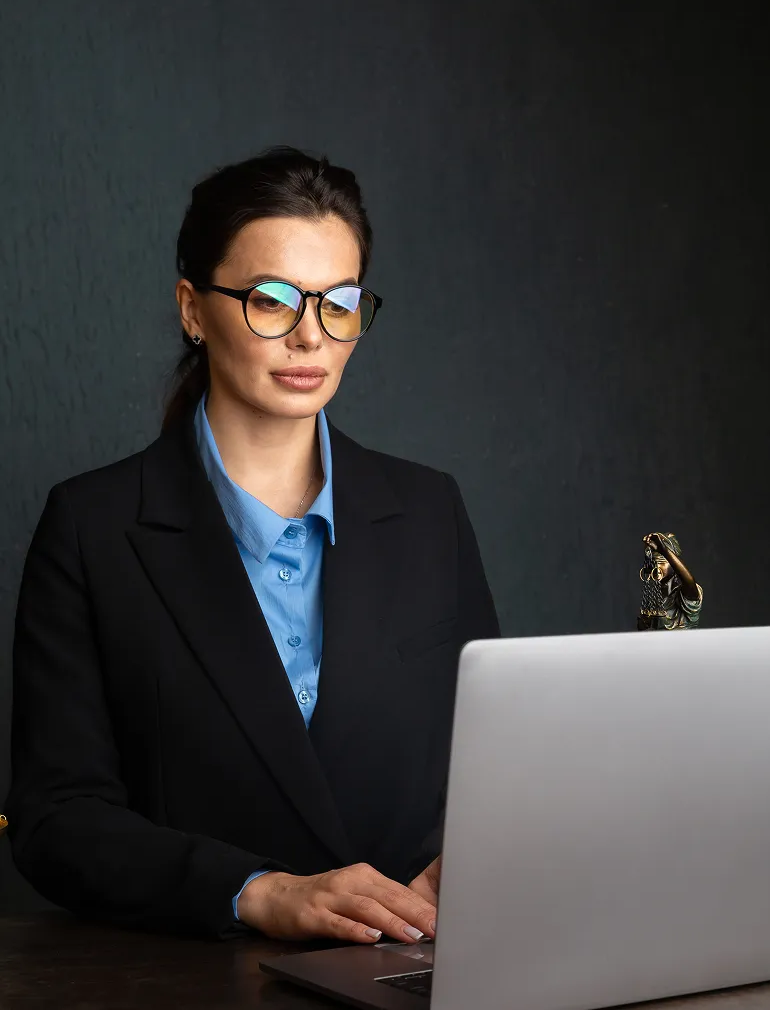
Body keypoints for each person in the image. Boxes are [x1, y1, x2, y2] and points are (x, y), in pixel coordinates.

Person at [6, 146, 500, 942]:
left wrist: (479, 858)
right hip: (200, 979)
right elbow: (55, 820)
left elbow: (493, 763)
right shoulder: (91, 526)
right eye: (271, 301)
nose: (310, 338)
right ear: (192, 309)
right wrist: (256, 892)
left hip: (416, 965)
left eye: (337, 303)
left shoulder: (429, 509)